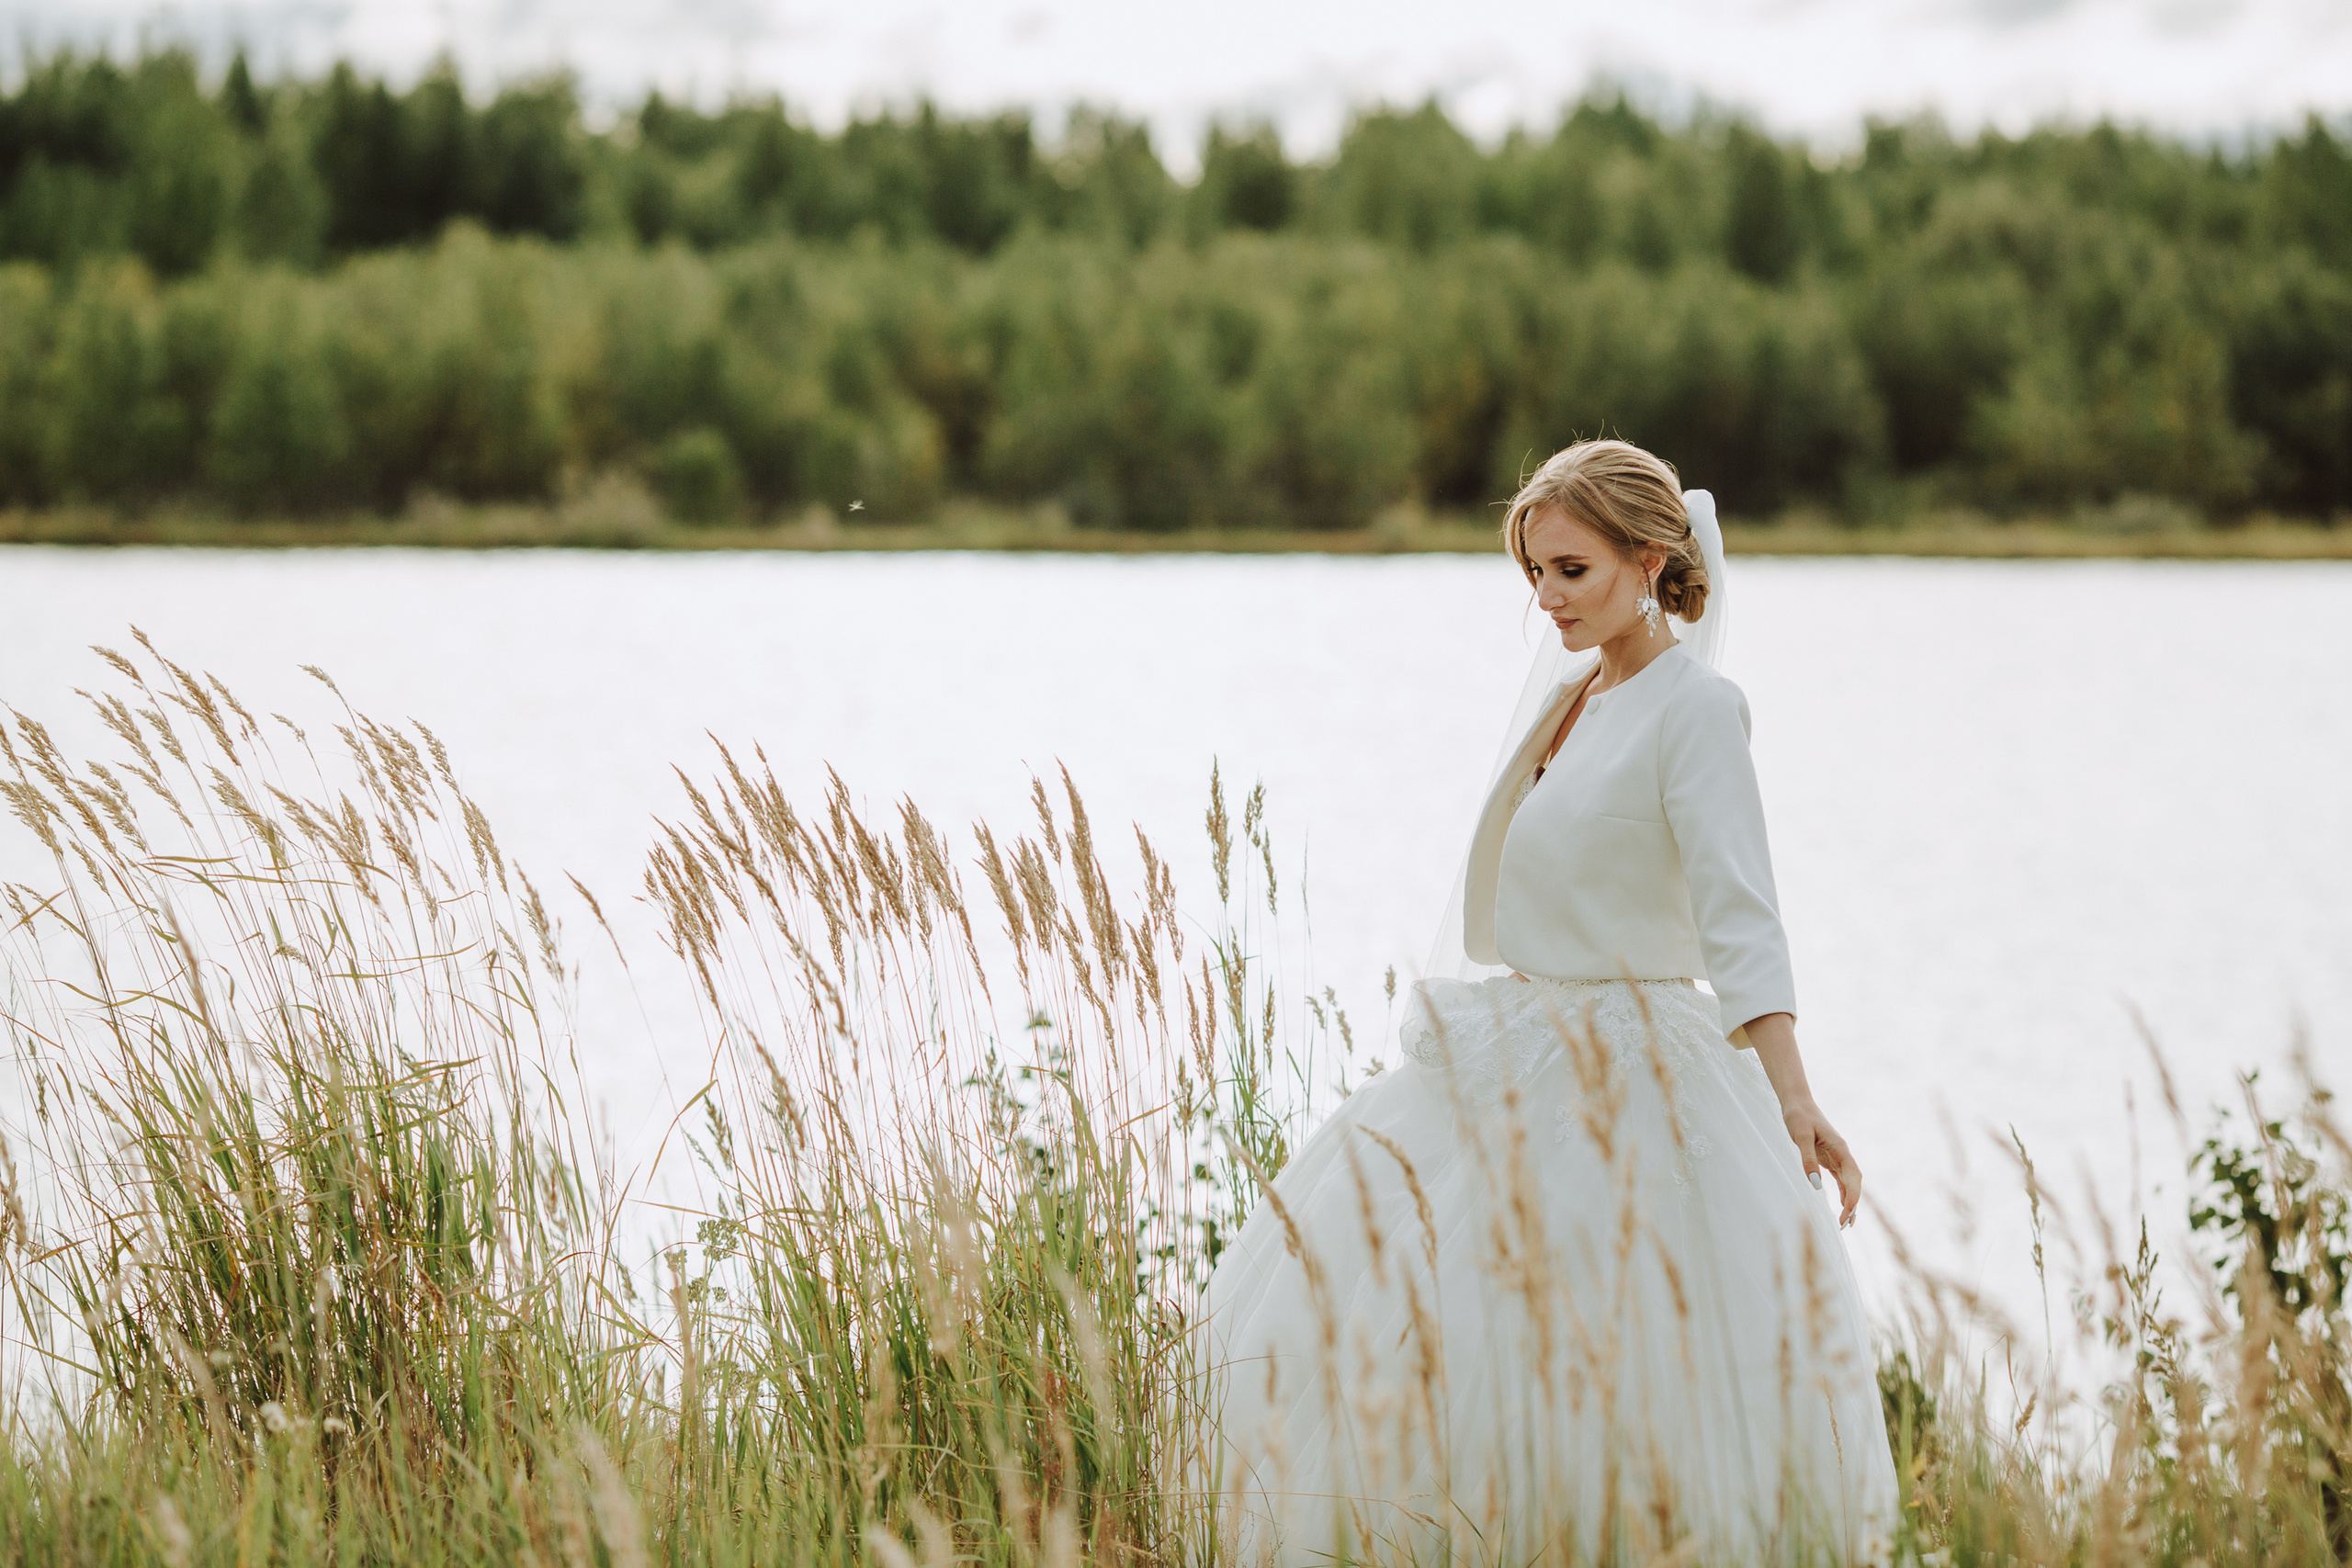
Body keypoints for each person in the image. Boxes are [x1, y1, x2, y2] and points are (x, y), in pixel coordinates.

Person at [1200, 440, 1899, 1565]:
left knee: (1618, 1362)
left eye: (1569, 570)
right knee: (1419, 1320)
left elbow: (1741, 916)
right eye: (1532, 573)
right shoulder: (1575, 697)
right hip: (1518, 1049)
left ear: (1647, 556)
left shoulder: (1699, 711)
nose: (1546, 598)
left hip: (1640, 1074)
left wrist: (1795, 1095)